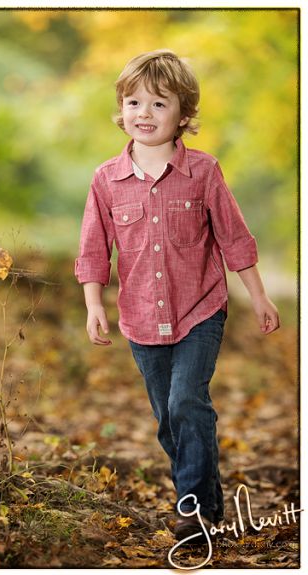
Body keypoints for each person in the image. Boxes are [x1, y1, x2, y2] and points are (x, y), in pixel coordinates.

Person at [74, 50, 279, 542]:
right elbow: (94, 249)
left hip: (200, 309)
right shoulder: (106, 179)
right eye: (133, 102)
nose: (143, 113)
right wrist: (94, 305)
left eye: (159, 103)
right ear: (121, 110)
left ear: (183, 115)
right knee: (167, 416)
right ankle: (204, 490)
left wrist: (259, 297)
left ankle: (196, 508)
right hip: (140, 317)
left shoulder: (204, 172)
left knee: (187, 399)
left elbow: (234, 239)